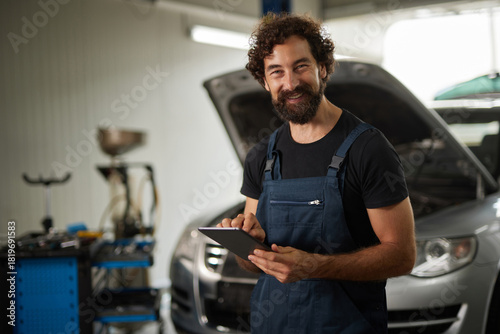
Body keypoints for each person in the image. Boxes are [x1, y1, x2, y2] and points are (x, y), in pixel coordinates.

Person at [217, 12, 416, 333]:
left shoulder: (368, 149)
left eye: (301, 66)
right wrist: (247, 244)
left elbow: (402, 256)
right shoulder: (260, 157)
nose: (291, 83)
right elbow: (253, 264)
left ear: (322, 68)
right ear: (264, 81)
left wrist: (315, 266)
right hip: (273, 325)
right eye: (277, 72)